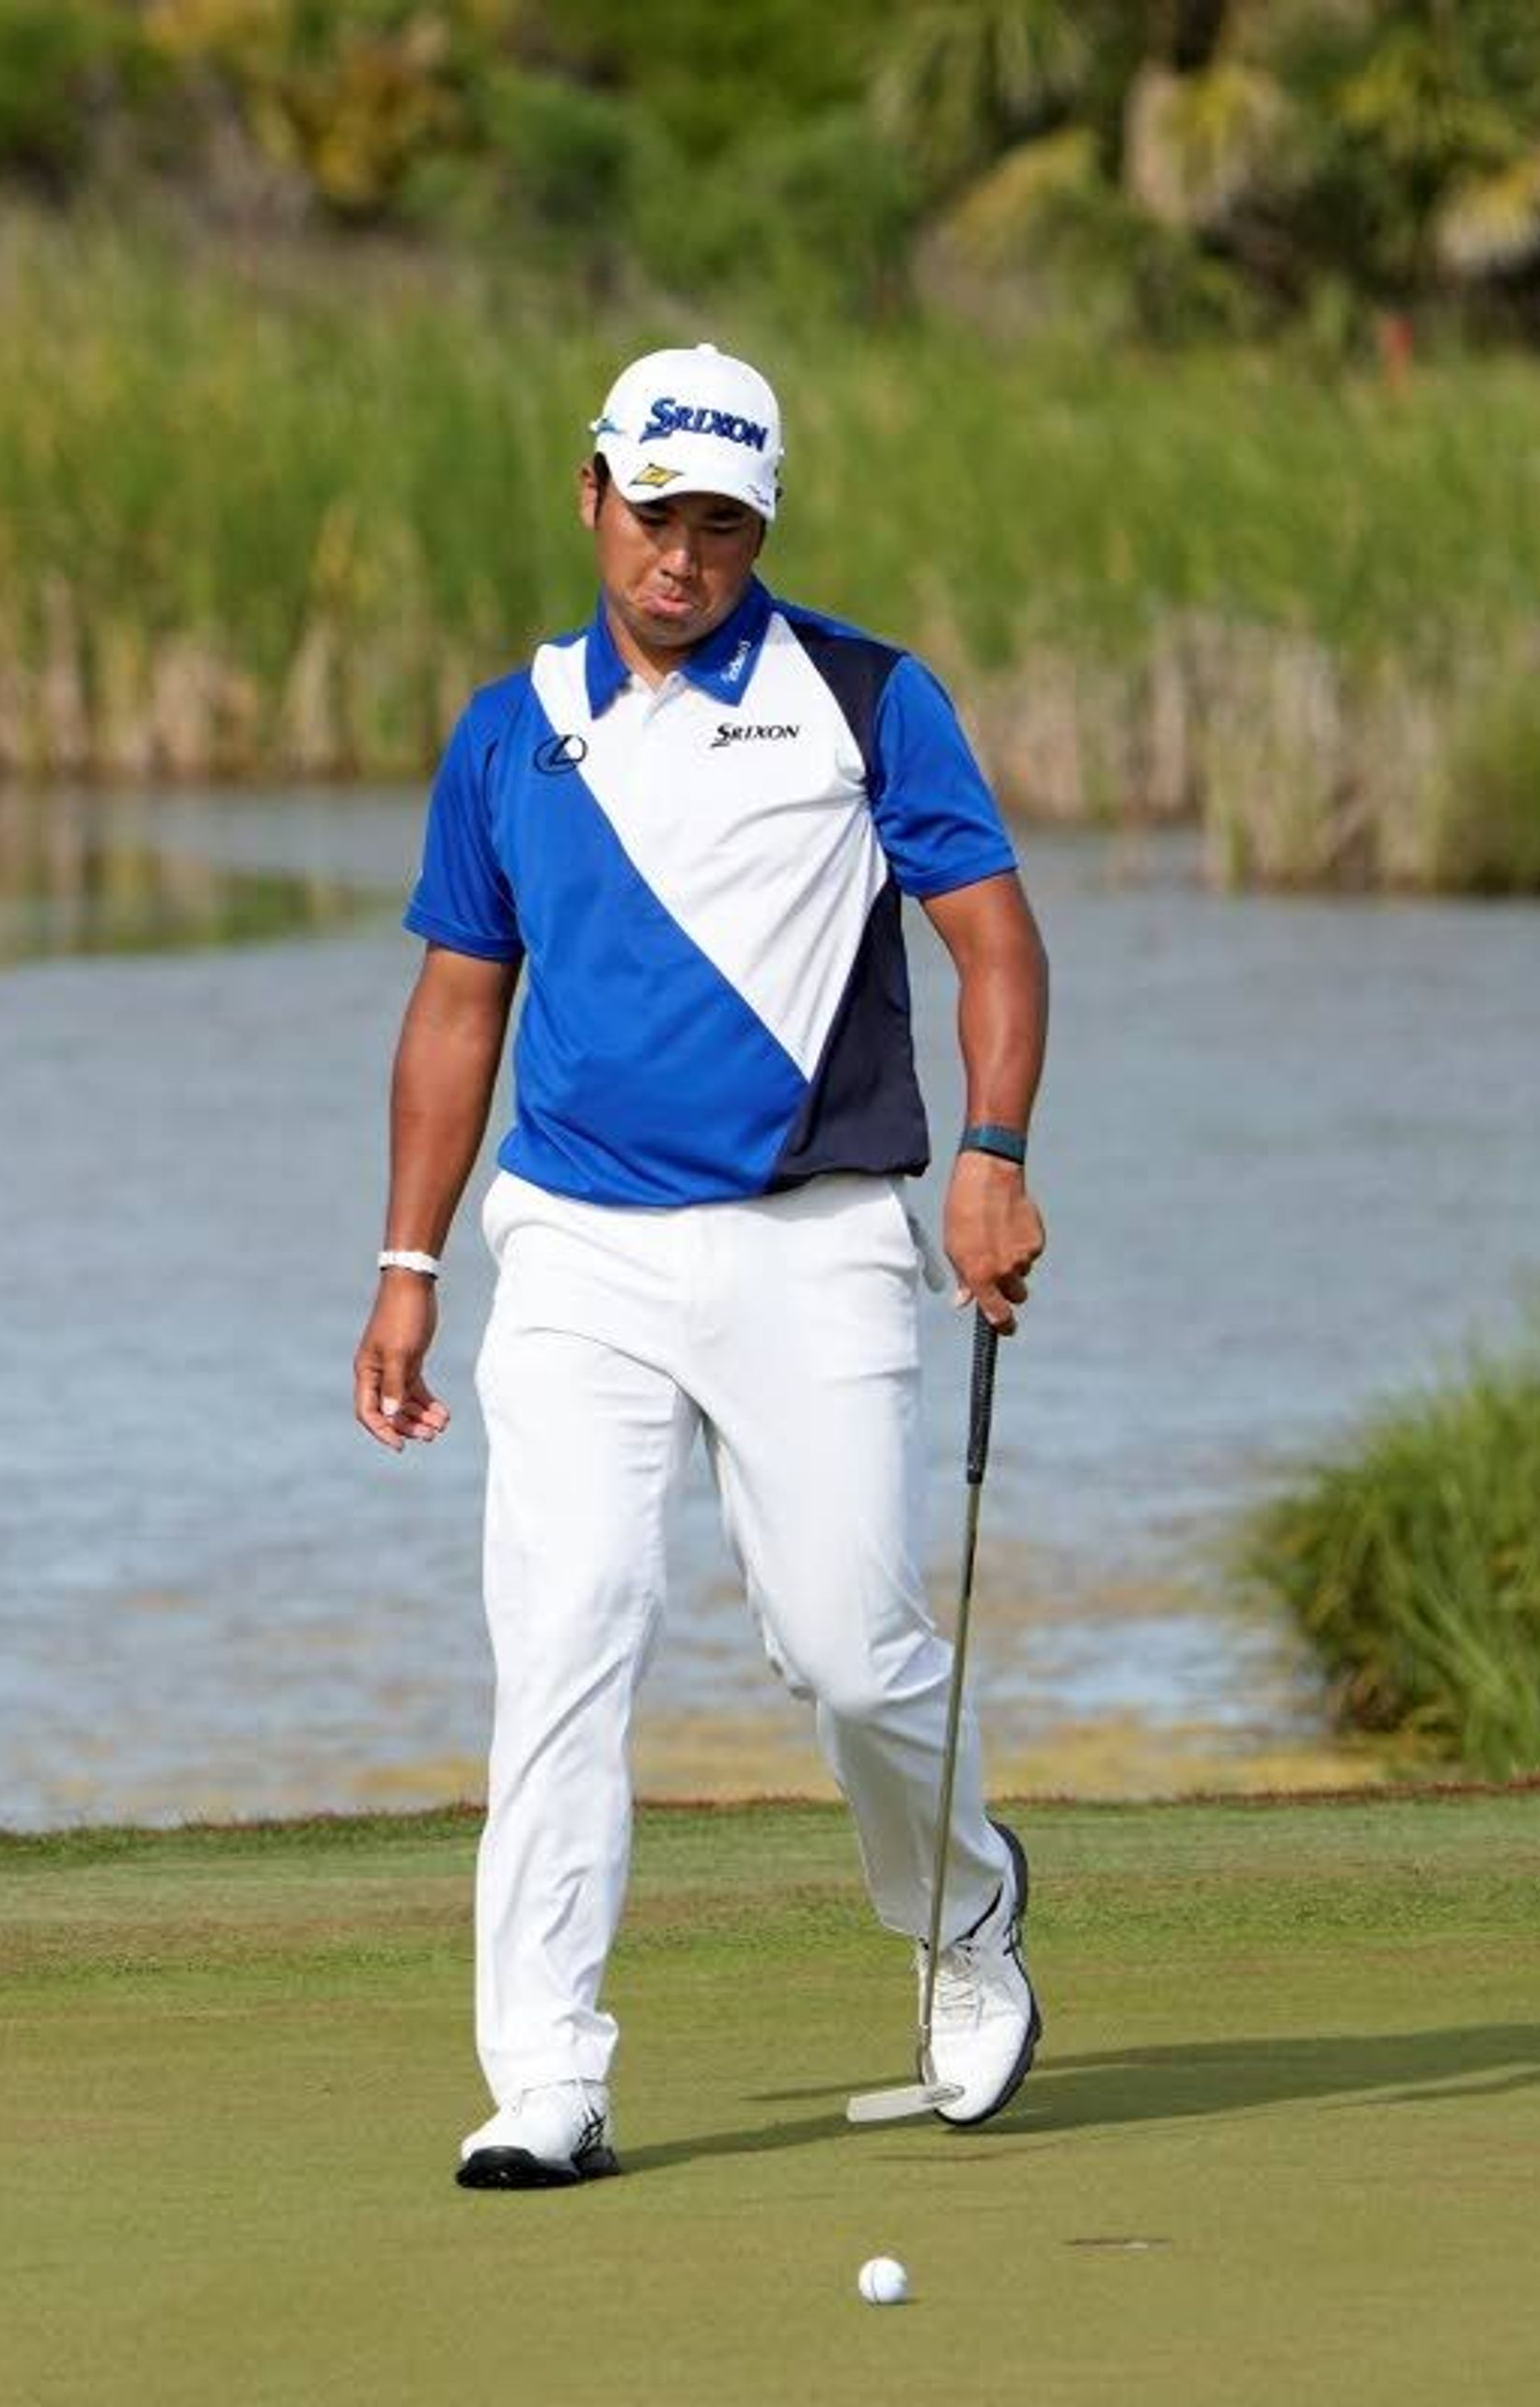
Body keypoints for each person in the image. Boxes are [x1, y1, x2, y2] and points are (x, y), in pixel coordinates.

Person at [354, 343, 1052, 2190]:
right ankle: (546, 2074)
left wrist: (992, 1154)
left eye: (726, 524)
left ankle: (966, 1915)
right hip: (574, 1241)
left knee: (848, 1647)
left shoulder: (868, 697)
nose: (687, 554)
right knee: (568, 1629)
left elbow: (995, 945)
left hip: (813, 1236)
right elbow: (455, 1003)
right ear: (592, 492)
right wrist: (408, 1257)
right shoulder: (511, 728)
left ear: (763, 527)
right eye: (659, 511)